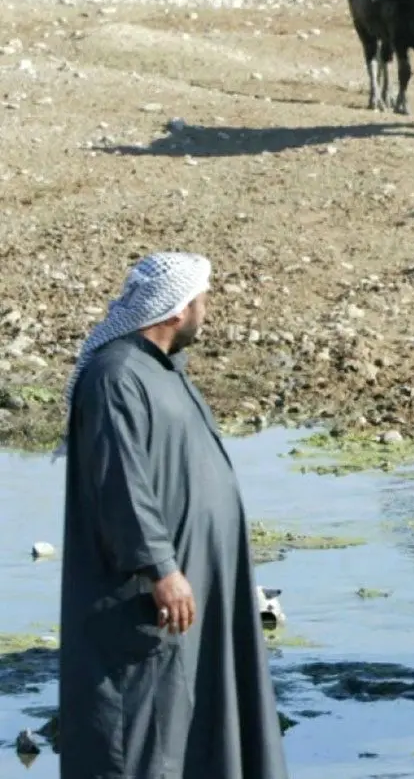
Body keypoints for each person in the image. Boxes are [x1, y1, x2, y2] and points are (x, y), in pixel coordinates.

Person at [56, 252, 289, 779]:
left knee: (191, 714)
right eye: (202, 301)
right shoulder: (115, 375)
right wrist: (162, 568)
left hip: (195, 581)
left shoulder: (161, 371)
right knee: (140, 723)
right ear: (177, 309)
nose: (207, 312)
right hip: (148, 592)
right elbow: (122, 483)